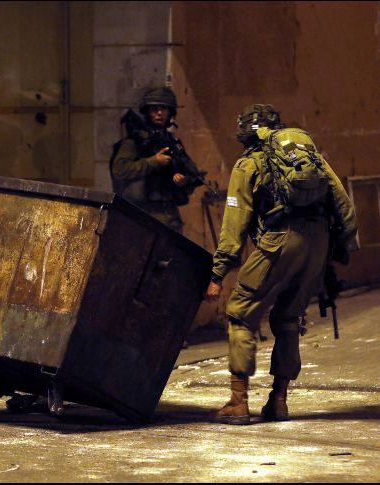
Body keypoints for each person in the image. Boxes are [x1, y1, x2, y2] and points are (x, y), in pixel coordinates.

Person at [204, 104, 357, 424]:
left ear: (247, 134)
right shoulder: (309, 156)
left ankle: (238, 402)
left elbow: (234, 228)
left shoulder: (248, 164)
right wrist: (339, 247)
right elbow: (344, 205)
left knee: (240, 313)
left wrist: (218, 273)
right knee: (288, 319)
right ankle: (279, 401)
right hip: (318, 244)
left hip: (279, 241)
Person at [109, 86, 204, 234]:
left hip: (170, 215)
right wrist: (153, 162)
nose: (159, 113)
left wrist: (182, 181)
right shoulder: (136, 141)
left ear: (170, 112)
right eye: (154, 109)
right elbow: (119, 169)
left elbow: (189, 173)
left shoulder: (173, 142)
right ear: (147, 112)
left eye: (163, 109)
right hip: (142, 215)